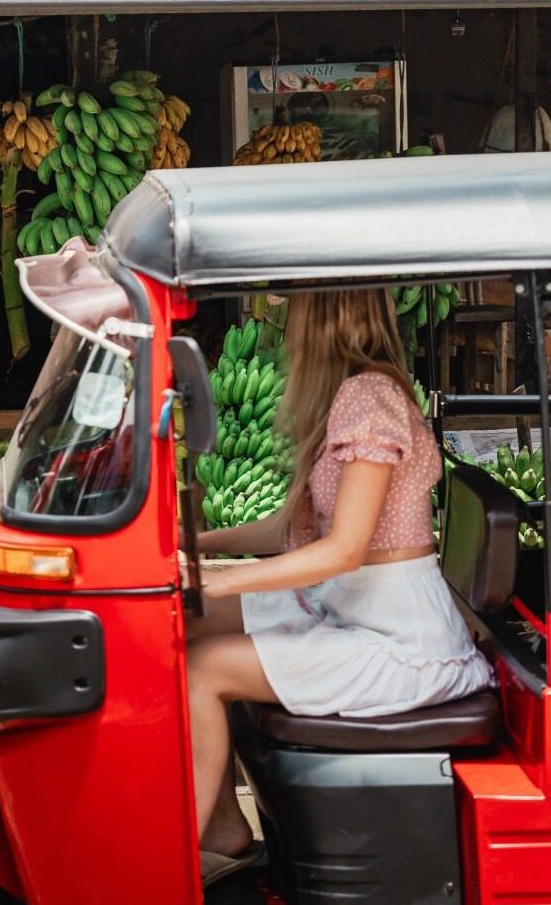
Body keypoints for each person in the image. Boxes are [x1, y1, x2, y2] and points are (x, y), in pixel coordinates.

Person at [185, 289, 493, 884]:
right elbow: (291, 529)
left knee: (203, 668)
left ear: (322, 313)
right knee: (188, 623)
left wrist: (220, 584)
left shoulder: (369, 396)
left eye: (294, 303)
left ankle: (163, 872)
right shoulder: (346, 392)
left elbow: (343, 550)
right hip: (351, 605)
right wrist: (195, 546)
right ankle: (224, 828)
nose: (284, 317)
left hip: (397, 636)